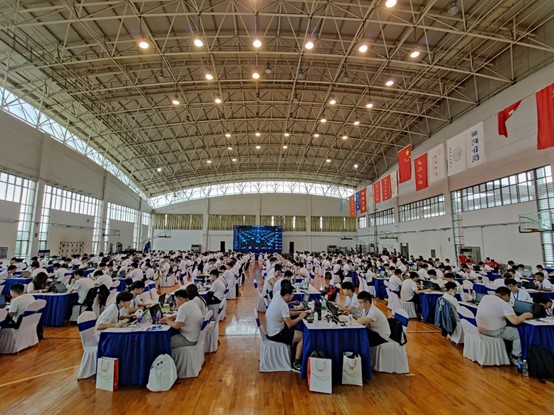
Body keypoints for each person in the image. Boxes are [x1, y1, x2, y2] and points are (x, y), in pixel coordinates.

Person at [476, 286, 533, 364]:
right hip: (494, 331)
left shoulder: (485, 297)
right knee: (518, 333)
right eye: (509, 297)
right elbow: (515, 321)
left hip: (480, 328)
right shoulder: (504, 304)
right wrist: (525, 315)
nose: (509, 299)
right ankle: (515, 356)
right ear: (506, 295)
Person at [264, 283, 307, 373]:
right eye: (292, 295)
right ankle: (296, 364)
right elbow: (289, 324)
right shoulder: (283, 305)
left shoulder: (277, 296)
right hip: (276, 333)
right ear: (287, 295)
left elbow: (286, 313)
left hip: (271, 330)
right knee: (303, 336)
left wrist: (300, 312)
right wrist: (300, 317)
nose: (292, 296)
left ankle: (294, 354)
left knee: (296, 330)